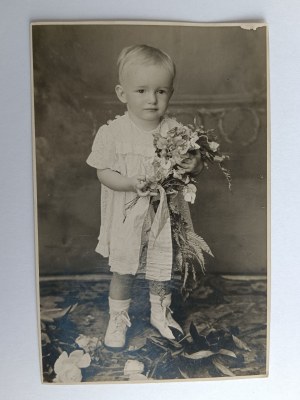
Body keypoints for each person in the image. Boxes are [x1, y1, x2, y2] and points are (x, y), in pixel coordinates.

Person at [87, 44, 203, 350]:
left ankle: (159, 312)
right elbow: (102, 172)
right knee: (124, 269)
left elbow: (191, 166)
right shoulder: (113, 133)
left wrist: (195, 163)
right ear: (122, 94)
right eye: (141, 90)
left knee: (161, 267)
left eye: (161, 91)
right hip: (128, 214)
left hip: (164, 217)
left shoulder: (176, 131)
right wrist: (128, 183)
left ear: (170, 93)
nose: (152, 99)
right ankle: (118, 318)